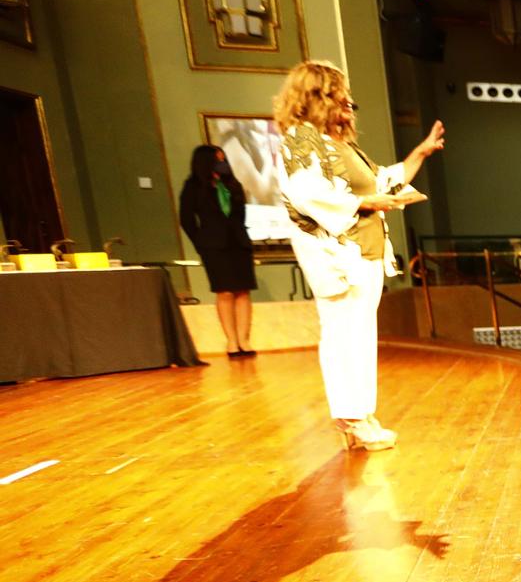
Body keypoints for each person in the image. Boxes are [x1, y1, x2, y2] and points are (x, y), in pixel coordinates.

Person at [274, 59, 443, 451]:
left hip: (364, 256)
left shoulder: (338, 146)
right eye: (341, 97)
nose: (349, 104)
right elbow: (307, 194)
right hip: (341, 259)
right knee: (344, 337)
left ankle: (360, 417)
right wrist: (373, 202)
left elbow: (382, 180)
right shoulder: (302, 140)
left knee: (359, 337)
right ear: (317, 98)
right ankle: (353, 420)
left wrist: (420, 153)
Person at [178, 143, 257, 358]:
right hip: (213, 246)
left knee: (243, 291)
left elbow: (240, 214)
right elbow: (186, 219)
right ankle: (231, 341)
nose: (222, 162)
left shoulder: (232, 184)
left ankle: (244, 340)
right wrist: (201, 243)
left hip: (239, 244)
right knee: (225, 292)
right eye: (217, 158)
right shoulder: (193, 186)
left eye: (223, 158)